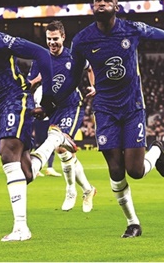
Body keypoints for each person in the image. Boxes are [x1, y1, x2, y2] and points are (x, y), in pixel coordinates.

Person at [62, 0, 164, 237]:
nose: (102, 3)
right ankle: (132, 223)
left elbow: (163, 35)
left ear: (116, 7)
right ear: (93, 7)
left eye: (107, 0)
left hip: (132, 108)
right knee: (115, 170)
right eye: (98, 1)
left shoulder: (131, 29)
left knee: (135, 171)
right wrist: (52, 102)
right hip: (104, 110)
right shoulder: (82, 40)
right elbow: (73, 78)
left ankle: (157, 149)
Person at [0, 5, 75, 242]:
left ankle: (21, 228)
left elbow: (41, 53)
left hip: (15, 97)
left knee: (6, 151)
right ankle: (55, 140)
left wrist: (48, 97)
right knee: (26, 173)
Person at [27, 20, 97, 212]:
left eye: (55, 39)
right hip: (53, 108)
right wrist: (37, 81)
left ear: (63, 37)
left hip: (72, 105)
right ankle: (88, 189)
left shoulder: (73, 56)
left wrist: (93, 85)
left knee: (58, 142)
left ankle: (69, 189)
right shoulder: (40, 58)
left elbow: (90, 67)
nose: (52, 43)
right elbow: (30, 83)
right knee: (64, 152)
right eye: (49, 39)